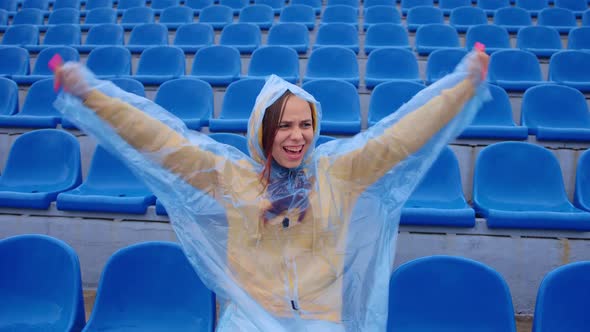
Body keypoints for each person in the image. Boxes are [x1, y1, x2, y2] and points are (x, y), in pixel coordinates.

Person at [53, 48, 490, 331]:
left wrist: (463, 87)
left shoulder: (340, 173)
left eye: (305, 124)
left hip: (320, 322)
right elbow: (161, 140)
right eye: (283, 125)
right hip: (250, 322)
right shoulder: (231, 177)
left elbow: (402, 136)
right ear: (263, 132)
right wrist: (91, 95)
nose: (296, 136)